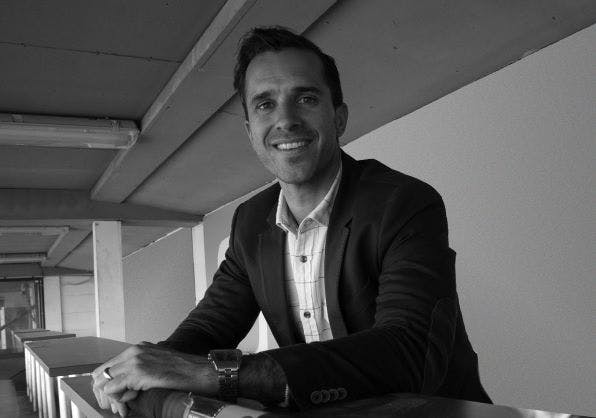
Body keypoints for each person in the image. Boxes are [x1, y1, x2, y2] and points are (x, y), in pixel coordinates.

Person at [92, 26, 491, 416]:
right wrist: (143, 366)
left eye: (306, 98)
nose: (286, 120)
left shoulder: (404, 202)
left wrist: (215, 374)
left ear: (339, 118)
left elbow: (408, 350)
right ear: (250, 131)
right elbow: (209, 327)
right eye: (265, 104)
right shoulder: (250, 222)